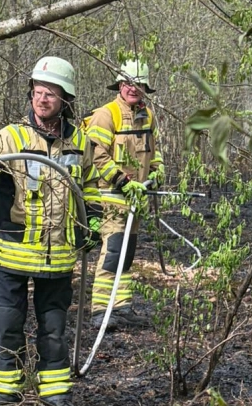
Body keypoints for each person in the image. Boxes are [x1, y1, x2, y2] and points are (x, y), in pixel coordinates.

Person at [0, 56, 102, 406]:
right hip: (11, 255)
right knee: (8, 326)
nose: (42, 98)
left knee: (54, 331)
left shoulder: (80, 143)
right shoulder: (10, 138)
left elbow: (91, 190)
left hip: (59, 257)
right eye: (38, 91)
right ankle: (5, 395)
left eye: (50, 93)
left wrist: (92, 225)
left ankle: (55, 395)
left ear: (66, 99)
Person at [83, 58, 164, 330]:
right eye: (128, 83)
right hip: (112, 196)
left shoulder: (148, 116)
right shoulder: (106, 114)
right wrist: (122, 180)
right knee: (113, 252)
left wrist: (157, 172)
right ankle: (100, 310)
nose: (133, 88)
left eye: (138, 84)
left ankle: (122, 306)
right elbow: (97, 156)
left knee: (127, 254)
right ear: (119, 84)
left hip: (136, 198)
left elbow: (154, 151)